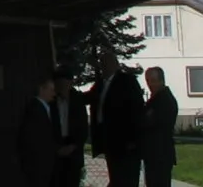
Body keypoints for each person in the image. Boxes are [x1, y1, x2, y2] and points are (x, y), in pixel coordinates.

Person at [88, 52, 144, 187]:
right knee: (116, 177)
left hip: (125, 141)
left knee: (126, 178)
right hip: (109, 140)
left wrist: (133, 139)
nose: (102, 67)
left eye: (105, 64)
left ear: (114, 65)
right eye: (101, 64)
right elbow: (90, 97)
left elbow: (136, 110)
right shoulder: (102, 83)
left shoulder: (126, 81)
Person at [18, 74, 60, 187]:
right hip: (38, 164)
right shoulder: (36, 110)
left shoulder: (39, 108)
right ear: (42, 89)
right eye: (51, 90)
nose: (54, 94)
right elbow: (34, 138)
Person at [141, 66, 179, 187]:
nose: (150, 84)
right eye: (147, 81)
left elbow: (153, 123)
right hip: (154, 153)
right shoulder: (156, 99)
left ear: (161, 80)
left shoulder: (164, 100)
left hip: (160, 153)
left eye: (153, 80)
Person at [51, 66, 87, 187]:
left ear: (70, 83)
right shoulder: (50, 101)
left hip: (73, 149)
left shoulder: (78, 100)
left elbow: (83, 128)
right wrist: (56, 148)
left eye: (64, 83)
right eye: (59, 83)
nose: (62, 87)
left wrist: (73, 146)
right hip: (55, 149)